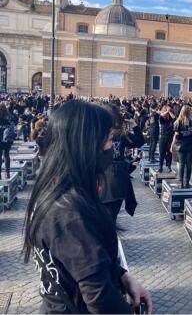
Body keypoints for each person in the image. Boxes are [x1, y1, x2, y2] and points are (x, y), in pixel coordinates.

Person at [21, 100, 152, 314]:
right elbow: (101, 299)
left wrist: (122, 276)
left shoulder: (55, 189)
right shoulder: (68, 212)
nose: (112, 147)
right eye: (109, 139)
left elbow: (85, 261)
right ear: (87, 145)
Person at [100, 104, 145, 222]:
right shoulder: (120, 134)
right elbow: (140, 141)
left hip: (105, 180)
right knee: (111, 218)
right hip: (117, 179)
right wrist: (134, 126)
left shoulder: (97, 133)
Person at [171, 105, 192, 188]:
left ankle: (181, 182)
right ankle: (187, 182)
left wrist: (172, 145)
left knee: (181, 164)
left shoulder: (177, 122)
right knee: (188, 164)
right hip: (189, 144)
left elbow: (176, 135)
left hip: (180, 145)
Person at [0, 103, 16, 179]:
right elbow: (14, 124)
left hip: (1, 137)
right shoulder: (9, 116)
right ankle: (7, 172)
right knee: (6, 155)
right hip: (8, 138)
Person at [158, 104, 175, 173]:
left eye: (169, 110)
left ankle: (169, 166)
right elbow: (161, 116)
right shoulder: (162, 119)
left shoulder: (171, 119)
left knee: (169, 153)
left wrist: (169, 112)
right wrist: (166, 111)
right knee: (162, 153)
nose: (168, 112)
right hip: (163, 137)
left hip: (170, 138)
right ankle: (160, 166)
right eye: (166, 111)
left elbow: (175, 118)